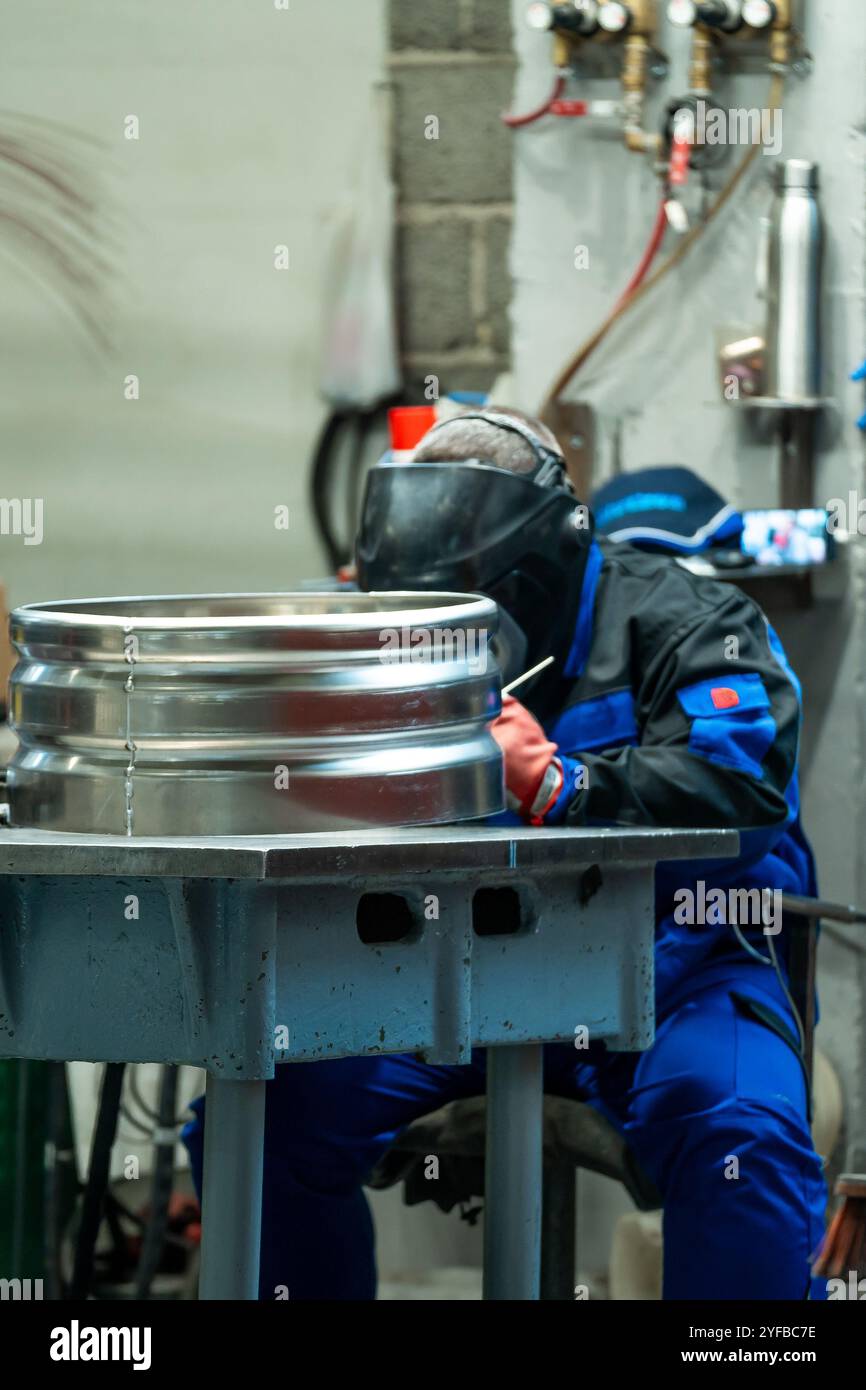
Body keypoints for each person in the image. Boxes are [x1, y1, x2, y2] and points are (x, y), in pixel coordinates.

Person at [184, 406, 827, 1300]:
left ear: (545, 562)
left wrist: (569, 787)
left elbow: (747, 790)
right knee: (259, 1117)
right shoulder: (365, 630)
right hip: (445, 972)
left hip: (673, 968)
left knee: (738, 1129)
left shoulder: (690, 618)